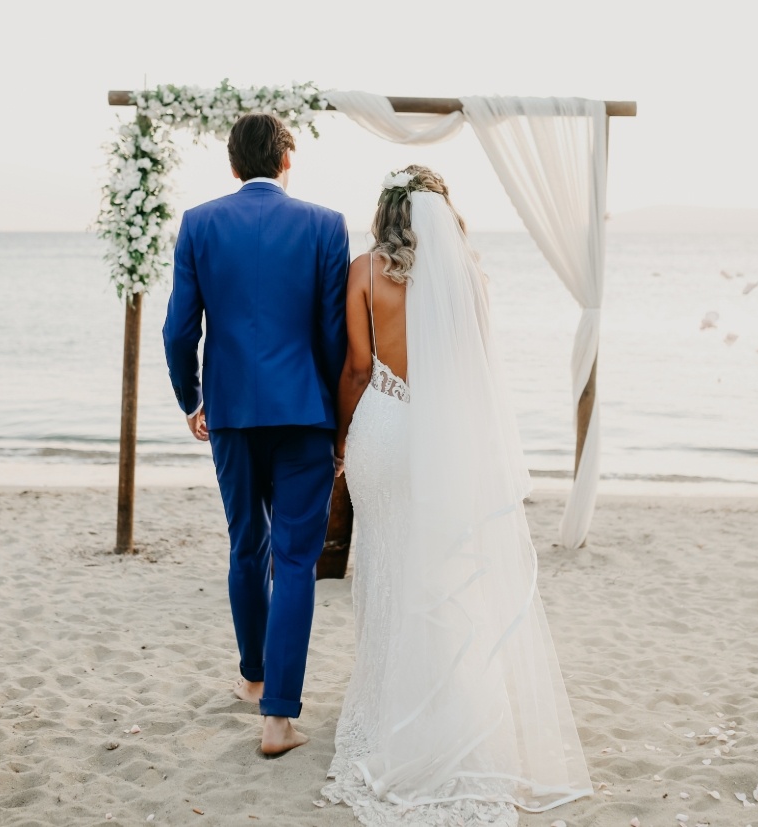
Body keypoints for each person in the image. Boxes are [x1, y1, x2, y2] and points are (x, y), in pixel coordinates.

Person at [322, 166, 593, 824]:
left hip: (383, 431)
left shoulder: (363, 273)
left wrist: (339, 442)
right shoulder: (470, 277)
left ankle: (390, 699)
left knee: (383, 564)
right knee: (441, 569)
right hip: (443, 436)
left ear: (386, 210)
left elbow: (358, 368)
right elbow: (475, 374)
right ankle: (445, 700)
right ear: (442, 217)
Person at [162, 112, 349, 755]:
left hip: (233, 413)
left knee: (247, 544)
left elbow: (178, 331)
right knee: (296, 560)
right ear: (287, 160)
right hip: (305, 413)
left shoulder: (199, 223)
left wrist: (192, 398)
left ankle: (253, 677)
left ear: (234, 166)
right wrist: (336, 415)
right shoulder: (326, 225)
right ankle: (278, 720)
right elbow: (331, 333)